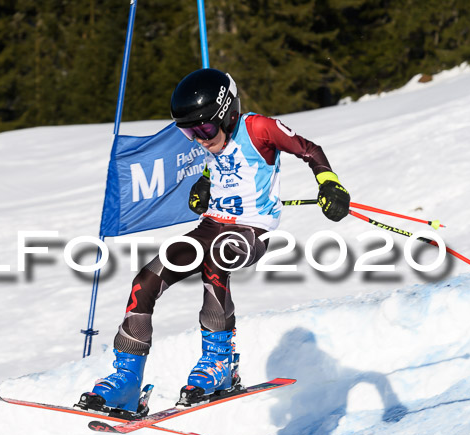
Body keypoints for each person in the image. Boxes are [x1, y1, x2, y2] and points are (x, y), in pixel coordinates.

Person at [78, 68, 351, 415]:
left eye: (204, 128)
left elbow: (310, 149)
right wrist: (204, 184)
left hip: (252, 231)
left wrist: (329, 184)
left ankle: (219, 363)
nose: (200, 139)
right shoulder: (209, 138)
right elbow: (215, 163)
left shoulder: (259, 128)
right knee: (145, 281)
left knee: (218, 257)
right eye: (189, 132)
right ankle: (127, 379)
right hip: (211, 227)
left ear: (228, 113)